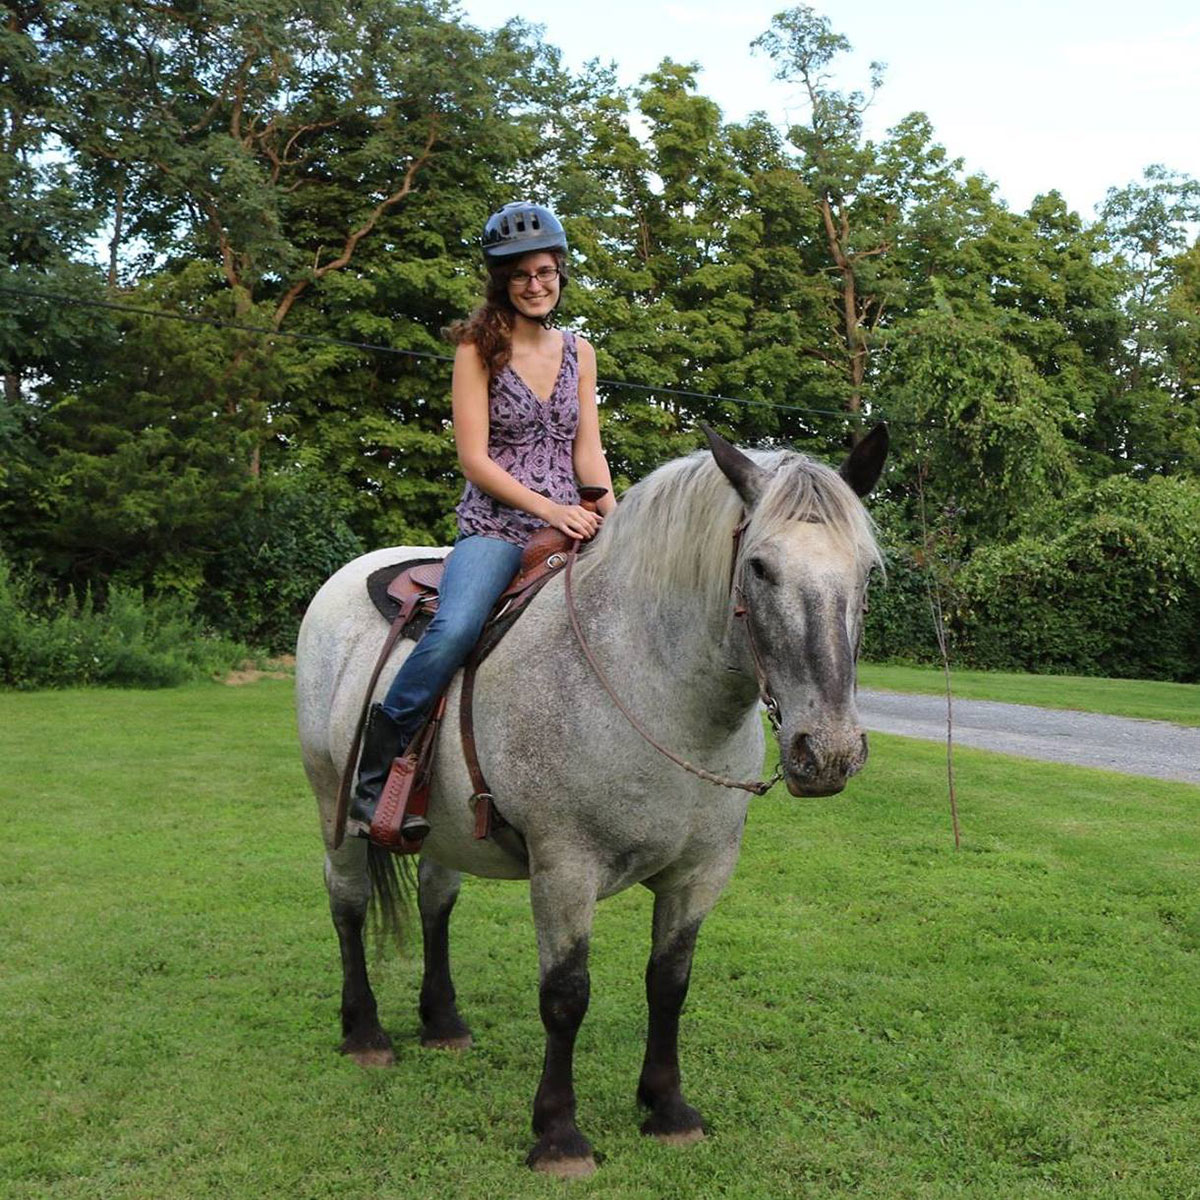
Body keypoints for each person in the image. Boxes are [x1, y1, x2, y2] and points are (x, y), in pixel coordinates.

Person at [349, 201, 617, 843]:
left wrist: (614, 510)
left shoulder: (581, 353)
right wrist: (550, 508)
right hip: (498, 526)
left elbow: (587, 449)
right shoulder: (478, 348)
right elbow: (473, 458)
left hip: (576, 517)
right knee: (455, 628)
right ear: (501, 280)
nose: (536, 284)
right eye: (521, 274)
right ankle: (375, 769)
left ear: (560, 274)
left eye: (546, 271)